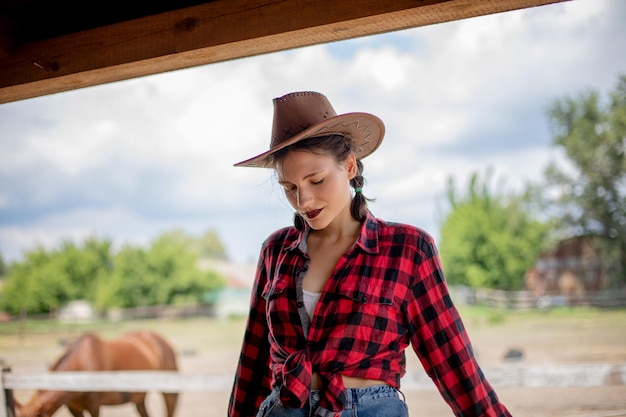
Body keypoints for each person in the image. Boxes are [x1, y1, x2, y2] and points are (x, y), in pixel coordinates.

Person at [228, 91, 511, 417]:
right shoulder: (275, 251)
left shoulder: (407, 248)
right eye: (289, 188)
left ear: (348, 167)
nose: (304, 201)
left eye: (316, 180)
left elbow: (452, 358)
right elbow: (253, 359)